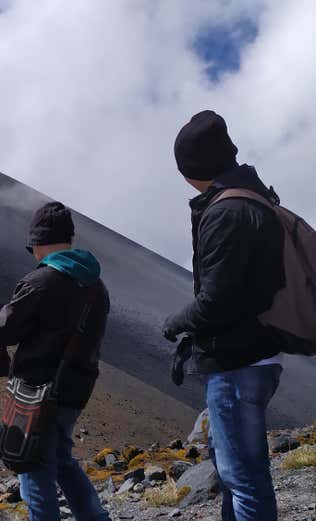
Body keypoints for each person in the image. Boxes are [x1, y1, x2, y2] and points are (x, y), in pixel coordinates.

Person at [163, 110, 285, 521]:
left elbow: (216, 300)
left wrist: (175, 324)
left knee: (243, 478)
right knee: (238, 473)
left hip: (238, 363)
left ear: (192, 168)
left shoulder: (225, 212)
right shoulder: (253, 197)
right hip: (258, 355)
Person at [0, 202, 111, 521]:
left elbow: (3, 331)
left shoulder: (41, 282)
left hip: (37, 393)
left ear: (38, 243)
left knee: (33, 469)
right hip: (76, 388)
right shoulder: (96, 285)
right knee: (62, 460)